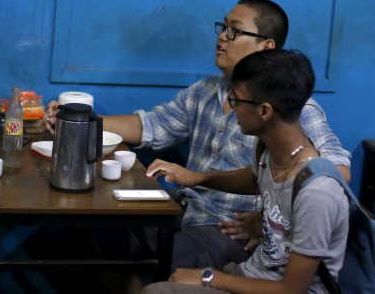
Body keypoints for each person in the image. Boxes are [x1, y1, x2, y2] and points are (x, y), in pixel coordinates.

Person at [45, 0, 350, 272]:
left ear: (266, 47)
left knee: (158, 260)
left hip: (228, 229)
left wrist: (270, 223)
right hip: (183, 209)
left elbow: (337, 173)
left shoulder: (292, 107)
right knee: (82, 232)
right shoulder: (207, 91)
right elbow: (149, 125)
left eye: (234, 30)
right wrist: (75, 120)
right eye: (222, 27)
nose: (221, 36)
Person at [141, 49, 349, 293]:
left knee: (156, 290)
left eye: (236, 100)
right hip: (249, 274)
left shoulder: (318, 193)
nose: (232, 108)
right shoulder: (268, 151)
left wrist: (209, 277)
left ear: (264, 111)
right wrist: (199, 177)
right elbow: (255, 177)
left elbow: (292, 290)